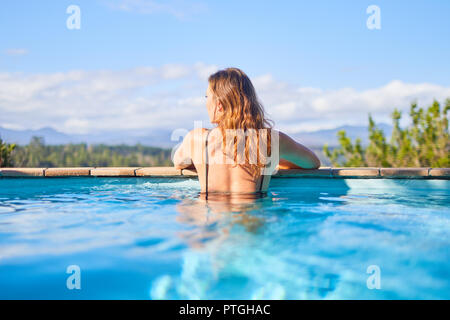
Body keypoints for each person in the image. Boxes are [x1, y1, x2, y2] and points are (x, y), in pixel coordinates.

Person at [173, 67, 320, 197]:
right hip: (252, 222)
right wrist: (275, 161)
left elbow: (179, 163)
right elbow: (312, 163)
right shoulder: (272, 140)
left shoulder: (197, 139)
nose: (205, 103)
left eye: (207, 97)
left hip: (210, 222)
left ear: (219, 105)